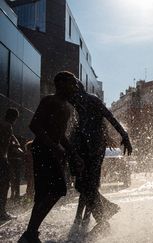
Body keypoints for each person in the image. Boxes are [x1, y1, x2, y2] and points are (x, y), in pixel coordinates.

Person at [19, 71, 83, 243]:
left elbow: (61, 135)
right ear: (60, 83)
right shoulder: (50, 101)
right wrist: (54, 146)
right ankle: (30, 232)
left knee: (43, 195)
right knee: (58, 189)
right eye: (72, 83)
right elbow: (34, 125)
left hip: (53, 151)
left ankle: (30, 234)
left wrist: (73, 153)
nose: (75, 87)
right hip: (43, 150)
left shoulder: (66, 107)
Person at [69, 81, 132, 233]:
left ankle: (93, 218)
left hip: (94, 148)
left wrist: (124, 134)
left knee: (87, 185)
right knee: (85, 185)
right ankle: (84, 217)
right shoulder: (78, 101)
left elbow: (109, 116)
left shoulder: (90, 99)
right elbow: (103, 119)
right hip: (87, 146)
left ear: (77, 88)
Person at [0, 108, 19, 221]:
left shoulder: (2, 124)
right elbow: (5, 143)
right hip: (2, 159)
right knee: (4, 185)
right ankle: (2, 212)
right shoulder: (8, 126)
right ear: (14, 118)